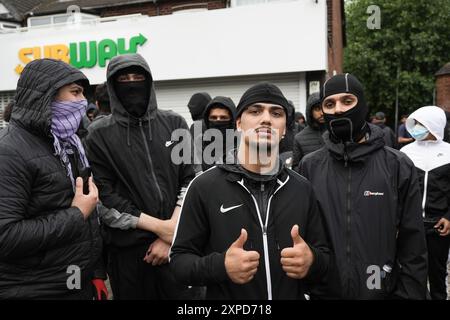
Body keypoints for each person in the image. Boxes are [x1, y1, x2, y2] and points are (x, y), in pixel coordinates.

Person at [170, 82, 330, 300]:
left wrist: (312, 260)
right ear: (238, 123)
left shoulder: (302, 189)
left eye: (276, 113)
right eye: (255, 111)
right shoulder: (204, 187)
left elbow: (325, 257)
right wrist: (220, 265)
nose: (266, 119)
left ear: (284, 129)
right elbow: (179, 262)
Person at [299, 73, 428, 299]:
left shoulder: (397, 165)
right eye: (329, 104)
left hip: (382, 292)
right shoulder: (310, 167)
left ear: (362, 104)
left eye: (347, 101)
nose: (338, 110)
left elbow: (414, 246)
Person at [84, 53, 196, 300]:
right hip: (129, 255)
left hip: (177, 249)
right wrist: (161, 228)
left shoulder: (175, 123)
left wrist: (172, 234)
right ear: (113, 86)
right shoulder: (98, 134)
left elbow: (190, 180)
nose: (132, 84)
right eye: (124, 79)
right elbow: (104, 197)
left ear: (149, 81)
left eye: (138, 77)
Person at [0, 58, 104, 299]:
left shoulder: (71, 143)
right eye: (75, 93)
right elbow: (5, 236)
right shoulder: (10, 151)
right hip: (33, 289)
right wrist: (76, 214)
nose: (83, 102)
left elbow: (89, 220)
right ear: (46, 97)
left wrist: (95, 273)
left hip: (73, 281)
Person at [400, 106, 450, 300]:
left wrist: (448, 216)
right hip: (411, 225)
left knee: (437, 274)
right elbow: (398, 190)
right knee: (411, 274)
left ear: (434, 125)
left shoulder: (448, 152)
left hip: (438, 225)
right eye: (416, 123)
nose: (417, 128)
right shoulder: (405, 152)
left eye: (422, 124)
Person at [292, 93, 325, 171]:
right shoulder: (299, 138)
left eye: (324, 108)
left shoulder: (337, 132)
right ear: (310, 111)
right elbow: (296, 167)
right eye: (317, 109)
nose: (322, 113)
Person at [201, 96, 236, 171]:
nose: (218, 121)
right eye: (213, 118)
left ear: (232, 120)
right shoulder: (199, 147)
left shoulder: (241, 147)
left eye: (223, 118)